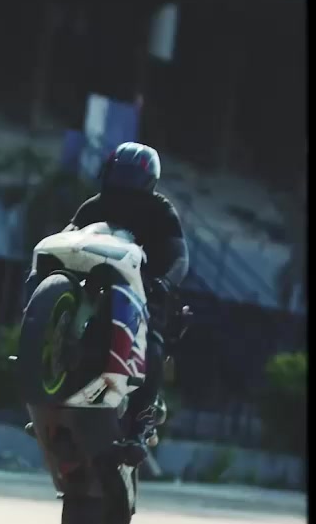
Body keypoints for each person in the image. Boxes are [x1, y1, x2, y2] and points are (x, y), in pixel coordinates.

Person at [23, 142, 190, 455]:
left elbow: (180, 256)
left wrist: (166, 282)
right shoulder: (93, 206)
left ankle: (140, 425)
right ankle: (52, 401)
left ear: (148, 183)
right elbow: (69, 236)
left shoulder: (161, 210)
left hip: (145, 289)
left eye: (131, 178)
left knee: (153, 346)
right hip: (97, 284)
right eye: (119, 175)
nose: (123, 186)